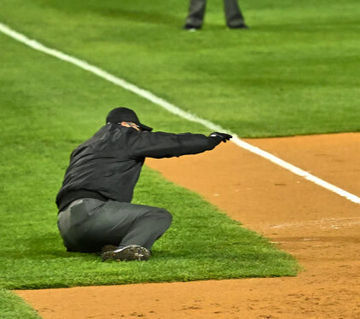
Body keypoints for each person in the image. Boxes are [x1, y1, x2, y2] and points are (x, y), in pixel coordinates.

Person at [55, 107, 233, 261]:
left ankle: (110, 246)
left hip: (66, 226)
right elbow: (170, 143)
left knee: (124, 222)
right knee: (157, 216)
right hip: (92, 214)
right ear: (127, 124)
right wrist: (208, 141)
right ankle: (128, 249)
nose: (140, 133)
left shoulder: (85, 146)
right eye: (138, 129)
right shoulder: (122, 136)